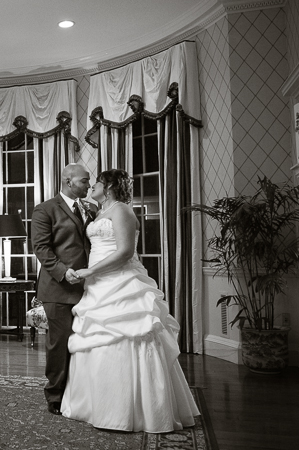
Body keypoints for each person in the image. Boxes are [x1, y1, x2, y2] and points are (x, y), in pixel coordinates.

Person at [60, 169, 200, 432]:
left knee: (131, 333)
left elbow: (125, 252)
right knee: (97, 337)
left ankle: (134, 409)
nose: (91, 187)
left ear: (109, 186)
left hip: (120, 281)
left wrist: (90, 271)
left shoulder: (122, 210)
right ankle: (95, 404)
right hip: (99, 285)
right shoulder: (100, 211)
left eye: (96, 183)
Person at [31, 163, 94, 415]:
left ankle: (81, 391)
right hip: (59, 288)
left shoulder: (91, 208)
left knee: (86, 340)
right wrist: (61, 271)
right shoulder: (45, 209)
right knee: (60, 343)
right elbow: (41, 248)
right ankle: (55, 395)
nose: (88, 185)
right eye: (84, 181)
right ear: (69, 181)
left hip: (91, 288)